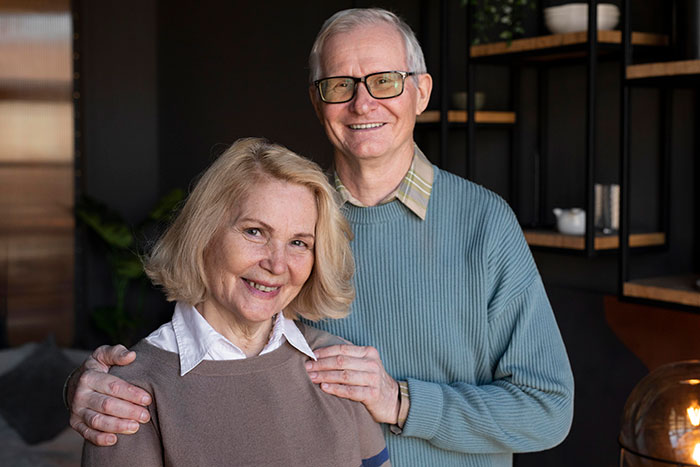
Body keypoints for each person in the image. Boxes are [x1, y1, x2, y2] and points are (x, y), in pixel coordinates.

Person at [67, 8, 574, 466]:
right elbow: (209, 361)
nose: (362, 102)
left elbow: (548, 410)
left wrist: (400, 401)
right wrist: (87, 386)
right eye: (340, 85)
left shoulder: (485, 223)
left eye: (385, 81)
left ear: (421, 91)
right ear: (317, 100)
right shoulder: (290, 229)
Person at [81, 137, 390, 466]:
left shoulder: (340, 367)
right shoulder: (127, 394)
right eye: (255, 231)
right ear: (205, 233)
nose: (277, 264)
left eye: (299, 242)